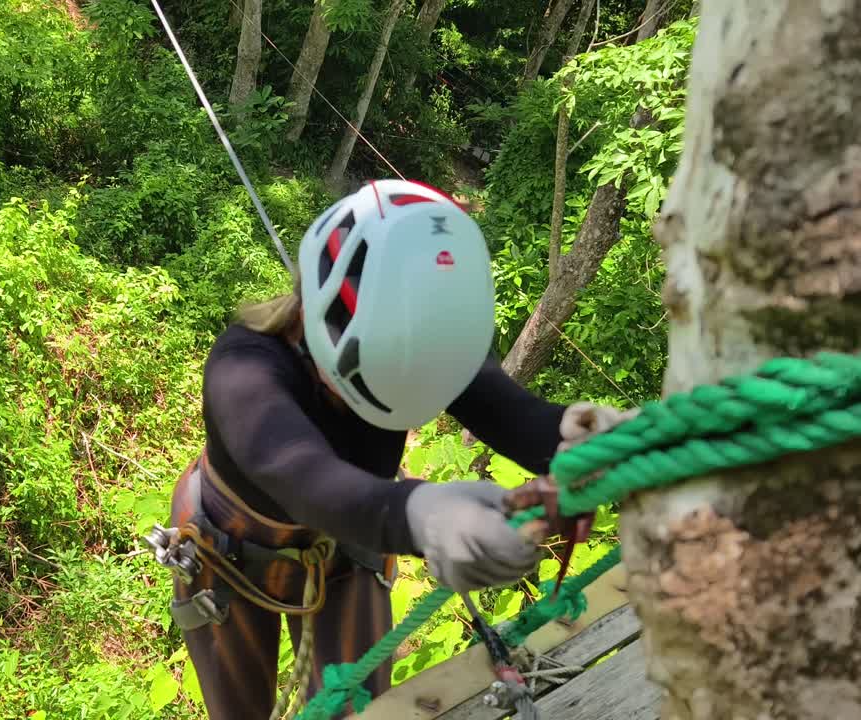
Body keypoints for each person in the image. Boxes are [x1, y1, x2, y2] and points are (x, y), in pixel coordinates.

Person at [158, 179, 631, 720]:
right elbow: (301, 474)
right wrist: (423, 513)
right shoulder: (245, 368)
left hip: (349, 540)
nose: (408, 378)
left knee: (355, 708)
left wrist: (588, 437)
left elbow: (515, 417)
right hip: (230, 551)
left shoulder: (422, 339)